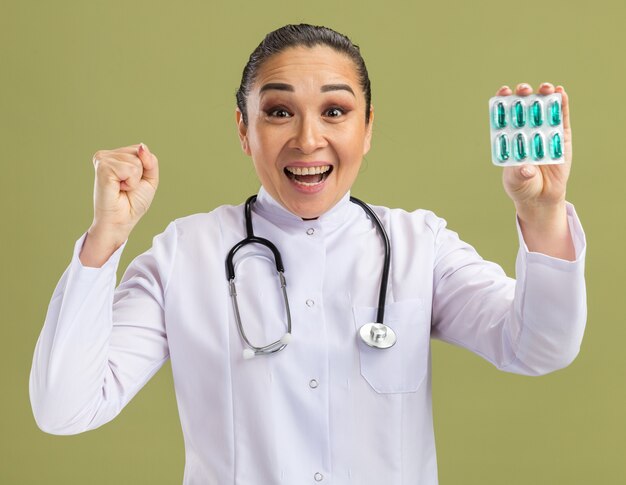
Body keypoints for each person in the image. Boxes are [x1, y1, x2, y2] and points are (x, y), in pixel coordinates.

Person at [29, 23, 587, 485]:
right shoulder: (185, 254)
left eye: (336, 112)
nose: (308, 139)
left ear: (368, 128)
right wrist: (106, 236)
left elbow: (539, 347)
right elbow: (65, 408)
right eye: (278, 112)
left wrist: (542, 215)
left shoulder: (421, 246)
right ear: (244, 130)